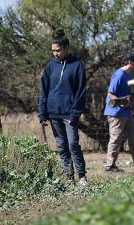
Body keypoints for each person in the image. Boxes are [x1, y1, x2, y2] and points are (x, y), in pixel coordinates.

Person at [38, 29, 88, 186]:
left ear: (67, 48)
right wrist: (42, 113)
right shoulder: (50, 67)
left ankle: (81, 176)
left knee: (73, 144)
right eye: (53, 51)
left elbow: (81, 93)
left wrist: (75, 114)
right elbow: (44, 90)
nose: (55, 54)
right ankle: (68, 176)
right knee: (62, 147)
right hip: (54, 114)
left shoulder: (78, 65)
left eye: (58, 50)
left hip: (70, 114)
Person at [104, 52, 134, 173]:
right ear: (130, 62)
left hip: (125, 112)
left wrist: (132, 100)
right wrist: (121, 102)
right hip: (115, 113)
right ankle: (109, 166)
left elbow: (126, 96)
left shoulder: (128, 75)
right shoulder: (119, 75)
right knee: (116, 139)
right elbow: (111, 94)